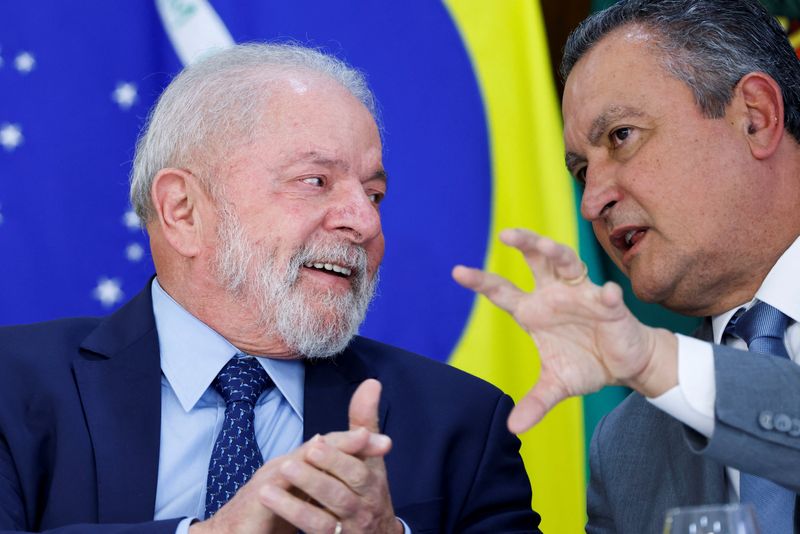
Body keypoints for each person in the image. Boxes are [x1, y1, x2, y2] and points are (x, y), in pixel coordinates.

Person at [0, 43, 540, 534]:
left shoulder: (462, 423)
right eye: (316, 181)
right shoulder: (12, 387)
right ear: (183, 211)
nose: (364, 222)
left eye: (374, 195)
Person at [453, 0, 800, 532]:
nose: (591, 201)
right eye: (580, 170)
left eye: (621, 136)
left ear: (754, 118)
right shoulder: (626, 446)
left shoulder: (661, 373)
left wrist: (656, 363)